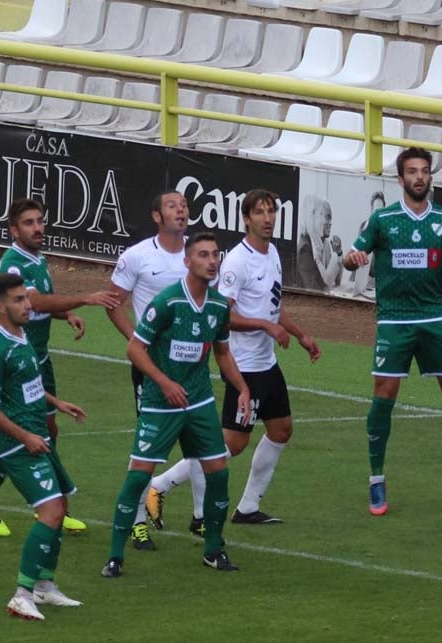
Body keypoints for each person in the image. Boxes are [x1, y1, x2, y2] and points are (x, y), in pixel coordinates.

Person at [342, 147, 442, 516]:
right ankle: (377, 481)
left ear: (430, 178)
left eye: (424, 171)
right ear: (400, 180)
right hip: (394, 318)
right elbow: (353, 255)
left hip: (433, 317)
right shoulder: (382, 219)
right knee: (384, 394)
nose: (419, 177)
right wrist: (354, 258)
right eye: (412, 171)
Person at [0, 198, 119, 537]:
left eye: (40, 221)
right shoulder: (13, 264)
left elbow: (39, 303)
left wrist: (66, 314)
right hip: (18, 363)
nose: (37, 228)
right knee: (29, 434)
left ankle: (46, 501)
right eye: (29, 223)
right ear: (13, 229)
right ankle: (9, 501)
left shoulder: (38, 259)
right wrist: (85, 299)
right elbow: (32, 302)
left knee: (47, 431)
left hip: (38, 360)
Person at [102, 232, 251, 577]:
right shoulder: (167, 303)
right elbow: (135, 349)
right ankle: (114, 556)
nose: (212, 261)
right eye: (203, 255)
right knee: (138, 477)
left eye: (215, 255)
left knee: (219, 472)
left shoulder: (218, 306)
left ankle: (213, 549)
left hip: (198, 401)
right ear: (187, 261)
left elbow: (223, 353)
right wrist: (164, 383)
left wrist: (241, 387)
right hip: (160, 403)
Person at [0, 273, 87, 620]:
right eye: (19, 300)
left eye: (26, 298)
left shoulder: (22, 337)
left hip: (37, 433)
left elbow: (30, 383)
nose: (27, 305)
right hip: (15, 443)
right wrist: (24, 436)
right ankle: (21, 594)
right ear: (0, 305)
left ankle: (44, 586)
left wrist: (56, 402)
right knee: (52, 512)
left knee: (60, 504)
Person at [217, 189, 321, 525]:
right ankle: (159, 486)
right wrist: (264, 325)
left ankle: (247, 508)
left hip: (267, 364)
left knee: (281, 430)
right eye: (259, 212)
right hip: (244, 368)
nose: (267, 218)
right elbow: (221, 317)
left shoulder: (273, 252)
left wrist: (299, 334)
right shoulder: (236, 261)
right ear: (246, 218)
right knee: (231, 444)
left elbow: (273, 307)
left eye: (271, 211)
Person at [105, 188, 199, 550]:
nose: (181, 210)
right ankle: (137, 522)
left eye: (185, 205)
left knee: (201, 444)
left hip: (191, 365)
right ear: (157, 217)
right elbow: (114, 302)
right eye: (173, 206)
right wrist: (138, 340)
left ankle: (203, 521)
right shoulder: (138, 256)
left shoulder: (198, 254)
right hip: (152, 367)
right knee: (147, 445)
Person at [297, 196, 343, 292]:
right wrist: (335, 255)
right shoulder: (305, 248)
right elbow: (317, 288)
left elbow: (337, 280)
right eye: (326, 217)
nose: (330, 223)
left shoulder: (324, 244)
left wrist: (338, 253)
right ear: (313, 218)